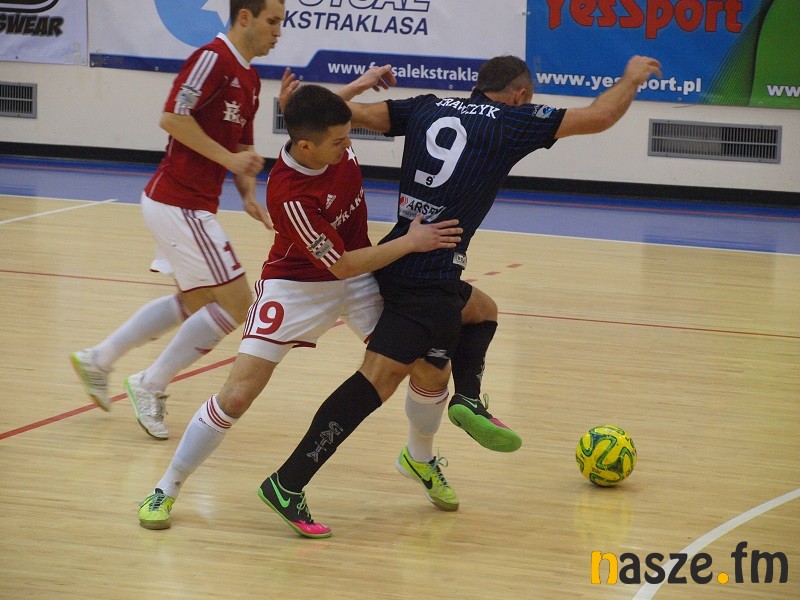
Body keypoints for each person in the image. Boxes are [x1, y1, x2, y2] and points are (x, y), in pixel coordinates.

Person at [257, 54, 663, 537]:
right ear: (519, 95)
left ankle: (463, 404)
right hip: (426, 274)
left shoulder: (428, 106)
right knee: (377, 381)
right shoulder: (511, 123)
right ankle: (289, 481)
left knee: (479, 314)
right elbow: (600, 116)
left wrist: (304, 104)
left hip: (407, 260)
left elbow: (351, 115)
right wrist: (630, 78)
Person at [136, 81, 463, 535]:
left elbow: (323, 110)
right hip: (297, 286)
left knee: (428, 368)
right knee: (237, 395)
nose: (348, 148)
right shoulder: (289, 195)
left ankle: (419, 458)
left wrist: (357, 84)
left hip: (359, 280)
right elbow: (341, 264)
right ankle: (166, 487)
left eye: (347, 138)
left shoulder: (326, 139)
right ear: (306, 146)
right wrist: (411, 243)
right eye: (339, 142)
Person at [69, 0, 296, 440]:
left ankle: (98, 359)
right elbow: (172, 118)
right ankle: (150, 382)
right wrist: (229, 159)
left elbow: (241, 146)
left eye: (281, 23)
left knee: (196, 303)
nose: (278, 32)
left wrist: (247, 192)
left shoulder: (250, 78)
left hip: (189, 206)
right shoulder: (211, 58)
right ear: (244, 17)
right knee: (238, 304)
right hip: (178, 203)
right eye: (272, 21)